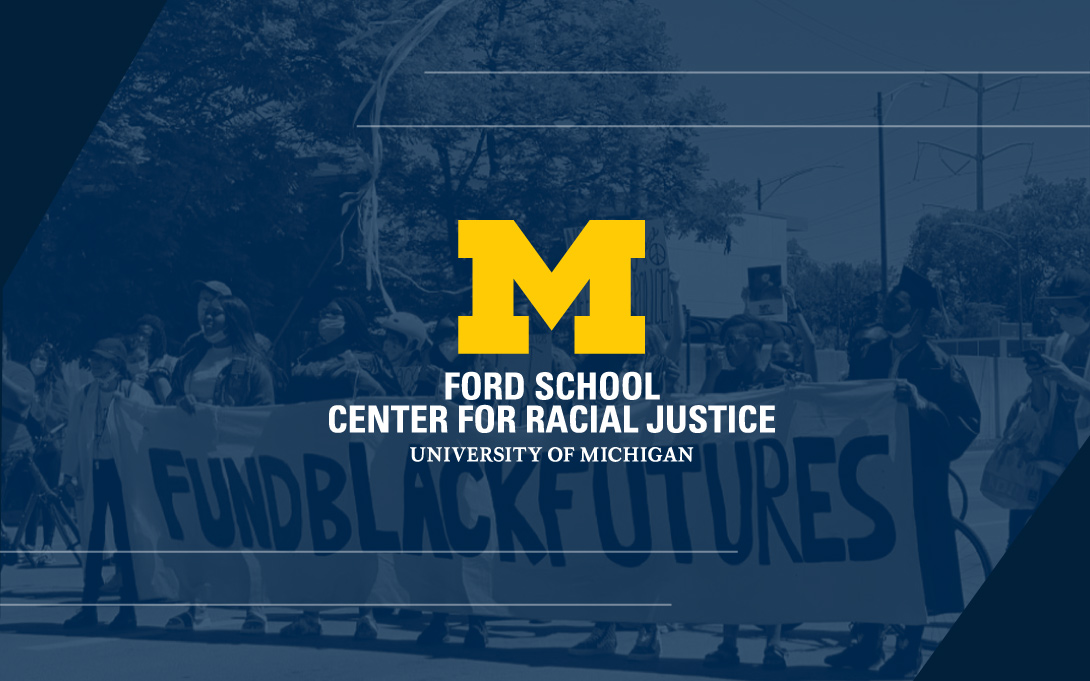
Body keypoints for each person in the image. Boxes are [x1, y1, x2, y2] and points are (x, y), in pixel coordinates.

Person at [825, 267, 980, 677]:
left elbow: (967, 422)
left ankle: (909, 648)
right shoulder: (872, 355)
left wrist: (924, 406)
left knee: (914, 565)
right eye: (886, 302)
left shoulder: (939, 365)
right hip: (871, 480)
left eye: (896, 303)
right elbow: (849, 405)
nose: (885, 308)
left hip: (916, 480)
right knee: (871, 559)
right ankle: (867, 643)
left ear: (917, 314)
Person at [278, 296, 397, 641]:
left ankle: (366, 614)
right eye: (323, 312)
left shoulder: (371, 360)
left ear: (351, 319)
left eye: (334, 314)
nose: (325, 318)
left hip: (356, 461)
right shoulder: (308, 359)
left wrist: (360, 380)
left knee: (360, 540)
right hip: (311, 461)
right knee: (313, 540)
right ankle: (310, 615)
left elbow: (392, 402)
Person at [163, 295, 275, 634]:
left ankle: (255, 608)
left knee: (241, 537)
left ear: (233, 318)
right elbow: (169, 403)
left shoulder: (253, 364)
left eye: (216, 313)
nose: (207, 318)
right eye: (204, 313)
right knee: (193, 537)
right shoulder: (188, 360)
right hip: (191, 460)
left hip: (236, 464)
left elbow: (264, 412)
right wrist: (180, 401)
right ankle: (194, 608)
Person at [697, 315, 802, 670]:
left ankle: (774, 644)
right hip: (730, 481)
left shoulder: (780, 379)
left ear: (756, 345)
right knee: (731, 566)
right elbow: (697, 414)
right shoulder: (726, 379)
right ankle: (729, 644)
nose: (727, 347)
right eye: (725, 341)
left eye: (735, 341)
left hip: (770, 483)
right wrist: (711, 374)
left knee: (768, 568)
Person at [61, 338, 153, 630]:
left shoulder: (133, 393)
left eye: (102, 360)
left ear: (116, 363)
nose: (95, 364)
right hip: (94, 472)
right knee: (93, 541)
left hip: (123, 474)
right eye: (94, 360)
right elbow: (74, 436)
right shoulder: (84, 394)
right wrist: (69, 475)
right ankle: (88, 609)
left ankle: (128, 612)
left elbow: (149, 432)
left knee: (126, 541)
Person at [1009, 268, 1090, 544]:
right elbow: (1042, 406)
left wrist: (1073, 380)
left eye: (1071, 309)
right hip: (1049, 464)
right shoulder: (1057, 344)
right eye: (1059, 309)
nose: (1064, 316)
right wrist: (1038, 381)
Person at [21, 342, 70, 565]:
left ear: (49, 363)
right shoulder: (24, 382)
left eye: (42, 359)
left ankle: (47, 545)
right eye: (35, 357)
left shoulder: (55, 385)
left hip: (50, 448)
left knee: (48, 497)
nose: (37, 362)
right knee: (29, 496)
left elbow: (60, 416)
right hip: (28, 448)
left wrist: (36, 407)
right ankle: (29, 544)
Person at [135, 314, 176, 404]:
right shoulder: (137, 364)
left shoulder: (160, 368)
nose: (140, 339)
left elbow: (168, 403)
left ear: (155, 339)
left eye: (145, 336)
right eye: (138, 334)